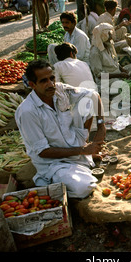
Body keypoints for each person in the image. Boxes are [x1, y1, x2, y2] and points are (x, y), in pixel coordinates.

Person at [15, 59, 106, 198]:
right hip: (55, 163)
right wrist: (83, 150)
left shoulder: (59, 90)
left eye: (52, 78)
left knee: (86, 101)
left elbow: (93, 95)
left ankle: (83, 159)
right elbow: (43, 151)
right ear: (32, 85)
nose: (51, 84)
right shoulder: (28, 112)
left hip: (74, 145)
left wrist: (101, 126)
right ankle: (56, 180)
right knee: (84, 188)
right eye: (44, 81)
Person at [89, 23, 131, 95]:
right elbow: (99, 75)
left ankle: (123, 82)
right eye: (109, 34)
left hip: (117, 73)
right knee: (123, 86)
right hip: (107, 80)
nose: (111, 37)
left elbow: (115, 63)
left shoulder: (108, 45)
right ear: (103, 36)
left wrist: (124, 70)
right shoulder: (95, 52)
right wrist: (119, 75)